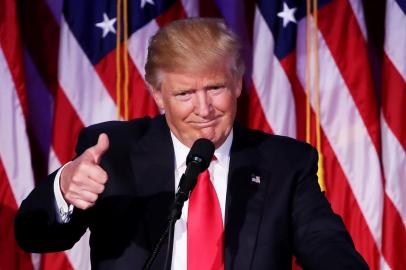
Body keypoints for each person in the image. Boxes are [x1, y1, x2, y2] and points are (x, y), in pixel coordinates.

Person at [15, 18, 368, 270]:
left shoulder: (285, 161)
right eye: (185, 93)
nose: (204, 109)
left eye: (215, 88)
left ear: (238, 83)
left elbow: (325, 244)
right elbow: (35, 237)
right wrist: (63, 187)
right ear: (158, 95)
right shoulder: (113, 152)